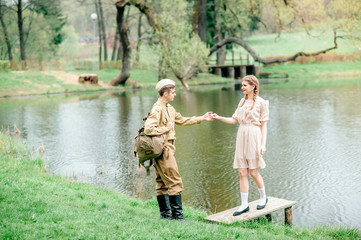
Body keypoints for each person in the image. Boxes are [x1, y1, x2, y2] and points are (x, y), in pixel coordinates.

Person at [144, 79, 213, 221]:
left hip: (167, 148)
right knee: (175, 182)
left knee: (162, 182)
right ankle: (178, 217)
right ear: (165, 93)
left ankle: (165, 215)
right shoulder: (158, 109)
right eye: (173, 92)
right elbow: (148, 128)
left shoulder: (170, 108)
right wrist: (166, 128)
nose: (175, 95)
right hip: (163, 149)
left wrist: (202, 118)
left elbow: (183, 120)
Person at [212, 75, 269, 216]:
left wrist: (263, 144)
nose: (242, 87)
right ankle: (244, 204)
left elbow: (264, 126)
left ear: (253, 86)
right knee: (242, 172)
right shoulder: (242, 102)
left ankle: (263, 197)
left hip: (254, 135)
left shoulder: (262, 103)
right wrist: (218, 117)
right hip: (241, 134)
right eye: (242, 85)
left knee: (254, 172)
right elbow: (234, 120)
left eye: (245, 85)